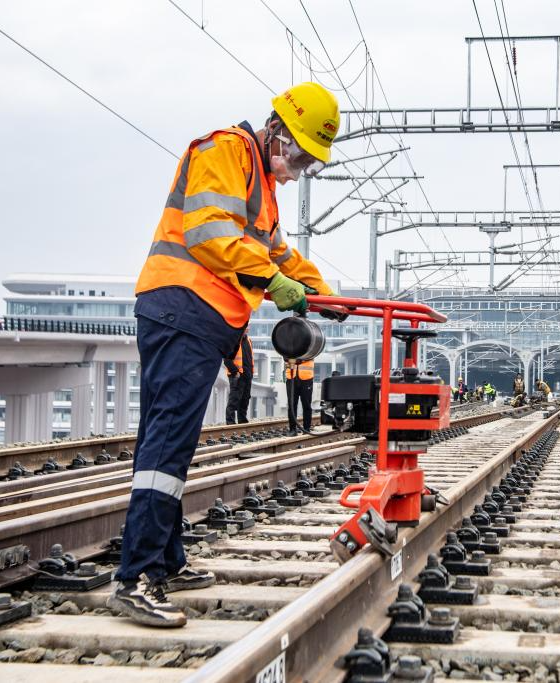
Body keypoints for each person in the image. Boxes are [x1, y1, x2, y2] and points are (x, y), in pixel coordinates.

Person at [110, 82, 345, 628]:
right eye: (300, 154)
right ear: (276, 132)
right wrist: (274, 281)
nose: (301, 167)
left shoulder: (262, 183)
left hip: (201, 317)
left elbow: (281, 253)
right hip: (181, 307)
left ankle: (165, 560)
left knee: (169, 437)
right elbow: (211, 236)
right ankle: (137, 576)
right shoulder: (223, 151)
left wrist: (325, 294)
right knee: (168, 440)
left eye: (310, 161)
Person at [223, 331, 253, 424]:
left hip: (247, 375)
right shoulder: (233, 340)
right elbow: (227, 359)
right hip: (237, 375)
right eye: (246, 325)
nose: (248, 328)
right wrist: (235, 372)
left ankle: (242, 420)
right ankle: (230, 421)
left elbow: (249, 358)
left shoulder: (248, 340)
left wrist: (251, 373)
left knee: (245, 399)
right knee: (234, 399)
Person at [285, 358, 315, 434]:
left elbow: (312, 353)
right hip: (291, 377)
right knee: (292, 405)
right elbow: (284, 354)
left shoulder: (309, 345)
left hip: (306, 378)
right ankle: (292, 430)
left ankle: (306, 429)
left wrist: (299, 359)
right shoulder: (288, 346)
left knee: (306, 405)